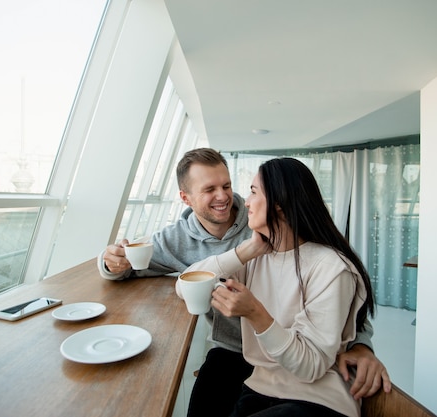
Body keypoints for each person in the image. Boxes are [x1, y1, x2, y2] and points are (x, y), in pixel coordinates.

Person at [97, 148, 390, 416]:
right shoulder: (241, 248)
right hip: (248, 363)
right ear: (185, 198)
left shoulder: (325, 263)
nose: (227, 197)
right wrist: (245, 251)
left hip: (303, 376)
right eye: (209, 189)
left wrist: (361, 346)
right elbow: (152, 271)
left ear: (279, 204)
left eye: (228, 186)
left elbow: (343, 316)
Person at [180, 157, 376, 417]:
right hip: (259, 388)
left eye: (253, 192)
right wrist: (246, 250)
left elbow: (311, 367)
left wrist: (255, 313)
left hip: (317, 399)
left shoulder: (331, 267)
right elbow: (185, 286)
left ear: (280, 204)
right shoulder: (255, 257)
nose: (245, 201)